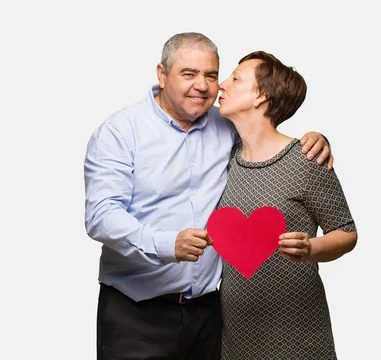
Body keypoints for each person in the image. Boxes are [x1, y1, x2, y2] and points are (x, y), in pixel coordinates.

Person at [84, 32, 333, 360]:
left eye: (211, 75)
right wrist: (166, 243)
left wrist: (314, 139)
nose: (202, 85)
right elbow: (101, 215)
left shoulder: (227, 125)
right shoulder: (120, 131)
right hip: (136, 314)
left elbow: (267, 138)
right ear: (162, 74)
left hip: (210, 313)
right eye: (188, 74)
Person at [215, 50, 358, 359]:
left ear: (261, 96)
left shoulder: (306, 159)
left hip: (297, 337)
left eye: (235, 78)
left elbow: (346, 232)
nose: (221, 84)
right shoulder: (224, 159)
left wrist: (311, 249)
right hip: (236, 338)